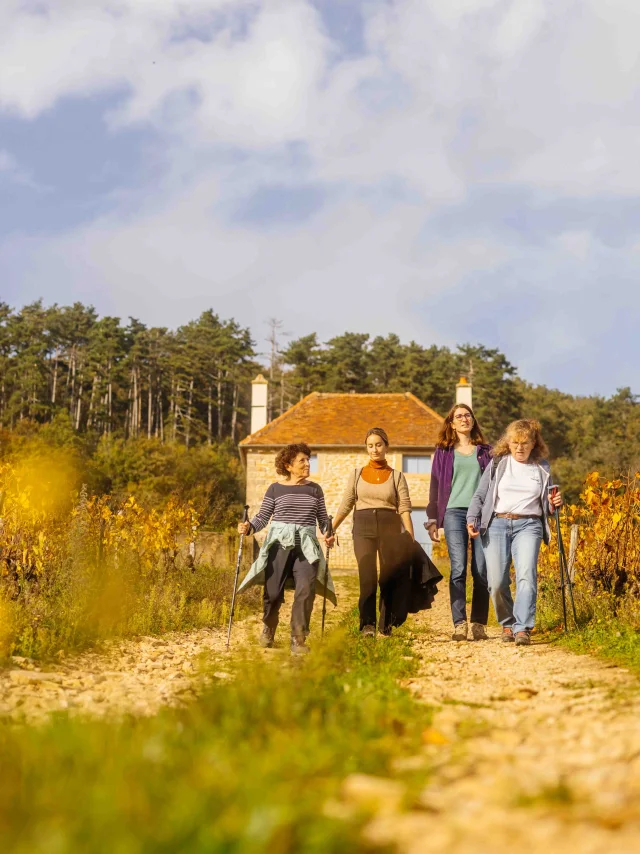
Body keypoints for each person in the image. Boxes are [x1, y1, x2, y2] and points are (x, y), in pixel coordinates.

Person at [466, 419, 563, 646]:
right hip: (497, 523)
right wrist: (472, 517)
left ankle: (522, 628)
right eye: (515, 442)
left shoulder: (542, 467)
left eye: (525, 443)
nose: (520, 447)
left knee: (526, 575)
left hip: (529, 525)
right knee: (497, 581)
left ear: (533, 444)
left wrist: (555, 502)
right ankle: (507, 623)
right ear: (508, 443)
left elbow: (549, 503)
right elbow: (480, 495)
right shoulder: (498, 464)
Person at [236, 442, 336, 655]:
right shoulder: (275, 488)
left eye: (308, 460)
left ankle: (298, 638)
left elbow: (322, 520)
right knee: (272, 593)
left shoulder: (315, 490)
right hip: (279, 545)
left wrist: (329, 534)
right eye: (302, 460)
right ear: (288, 465)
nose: (307, 464)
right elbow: (263, 517)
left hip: (306, 547)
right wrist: (249, 527)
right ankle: (269, 626)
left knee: (306, 590)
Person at [332, 428, 414, 637]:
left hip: (390, 526)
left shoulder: (396, 476)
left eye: (378, 445)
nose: (374, 449)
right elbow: (347, 503)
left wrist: (410, 536)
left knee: (388, 577)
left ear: (386, 446)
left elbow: (404, 507)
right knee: (367, 576)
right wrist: (331, 527)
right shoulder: (357, 474)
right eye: (370, 445)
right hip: (363, 526)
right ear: (366, 448)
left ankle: (385, 625)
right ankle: (367, 625)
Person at [426, 403, 492, 642]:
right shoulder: (443, 452)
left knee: (481, 570)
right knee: (458, 569)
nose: (464, 419)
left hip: (483, 515)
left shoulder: (486, 452)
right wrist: (432, 518)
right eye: (459, 416)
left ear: (473, 421)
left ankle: (478, 624)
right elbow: (434, 486)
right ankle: (459, 623)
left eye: (468, 415)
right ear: (452, 424)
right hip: (453, 512)